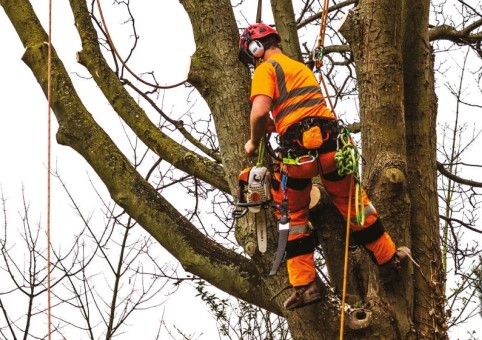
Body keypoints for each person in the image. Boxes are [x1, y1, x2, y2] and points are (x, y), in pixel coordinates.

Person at [238, 23, 411, 310]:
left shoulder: (265, 70)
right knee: (354, 203)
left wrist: (253, 142)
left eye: (251, 55)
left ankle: (306, 285)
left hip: (299, 156)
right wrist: (273, 123)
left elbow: (258, 114)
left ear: (256, 49)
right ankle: (388, 259)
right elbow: (294, 111)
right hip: (332, 147)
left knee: (293, 216)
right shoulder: (300, 69)